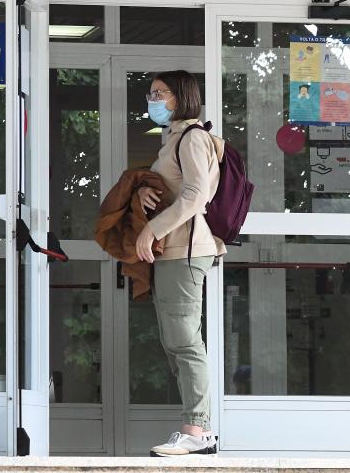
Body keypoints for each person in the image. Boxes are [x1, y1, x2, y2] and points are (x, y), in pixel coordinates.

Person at [134, 70, 226, 457]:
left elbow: (195, 196)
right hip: (173, 250)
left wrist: (150, 229)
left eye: (160, 93)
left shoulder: (192, 137)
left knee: (185, 341)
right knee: (175, 341)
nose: (152, 99)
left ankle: (198, 430)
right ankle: (196, 428)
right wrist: (144, 193)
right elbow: (174, 190)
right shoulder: (174, 138)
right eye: (151, 93)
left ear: (181, 96)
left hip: (185, 249)